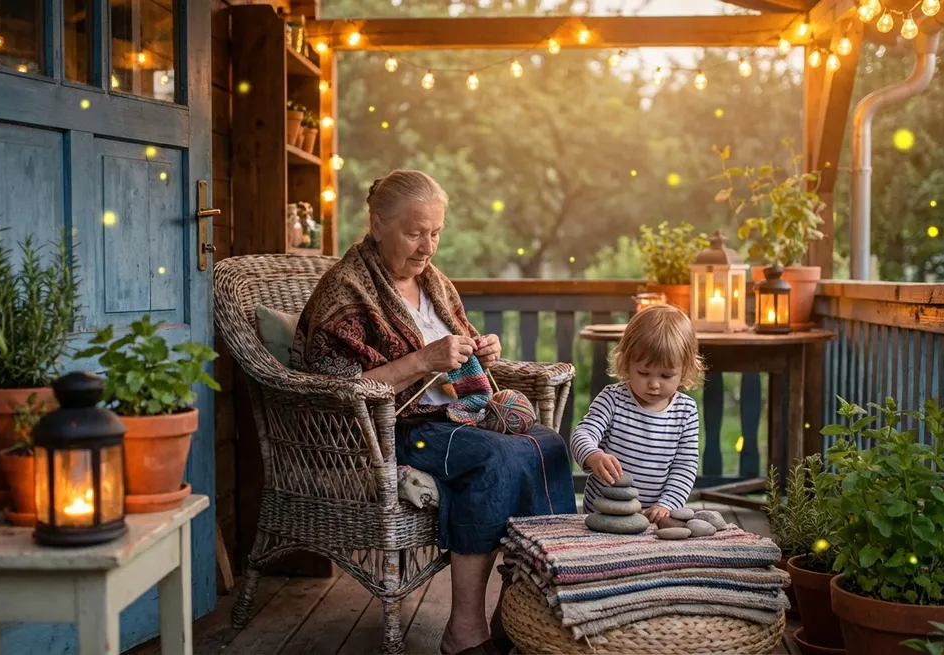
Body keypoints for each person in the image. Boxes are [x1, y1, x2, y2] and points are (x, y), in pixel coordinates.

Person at [291, 169, 576, 655]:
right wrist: (423, 359)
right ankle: (463, 629)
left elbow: (454, 357)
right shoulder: (346, 290)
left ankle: (520, 609)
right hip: (397, 431)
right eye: (414, 232)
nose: (427, 246)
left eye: (436, 232)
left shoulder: (435, 284)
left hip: (458, 418)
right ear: (377, 224)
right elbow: (339, 393)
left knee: (548, 444)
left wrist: (481, 352)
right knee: (495, 458)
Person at [570, 305, 703, 521]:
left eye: (666, 375)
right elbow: (582, 434)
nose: (654, 384)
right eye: (643, 372)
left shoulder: (685, 411)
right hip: (604, 512)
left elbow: (685, 466)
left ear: (685, 370)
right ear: (626, 362)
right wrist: (594, 456)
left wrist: (667, 503)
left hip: (653, 516)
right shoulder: (613, 399)